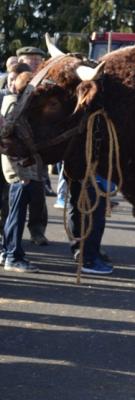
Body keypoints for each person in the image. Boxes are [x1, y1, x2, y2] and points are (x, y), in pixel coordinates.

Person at [0, 68, 47, 272]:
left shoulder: (22, 107)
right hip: (20, 172)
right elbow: (6, 140)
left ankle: (8, 252)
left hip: (25, 171)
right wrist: (19, 173)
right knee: (15, 217)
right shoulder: (14, 107)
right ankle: (13, 256)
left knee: (15, 215)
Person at [68, 175, 114, 275]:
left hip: (84, 174)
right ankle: (89, 259)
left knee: (82, 211)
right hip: (90, 175)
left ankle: (85, 253)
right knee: (94, 215)